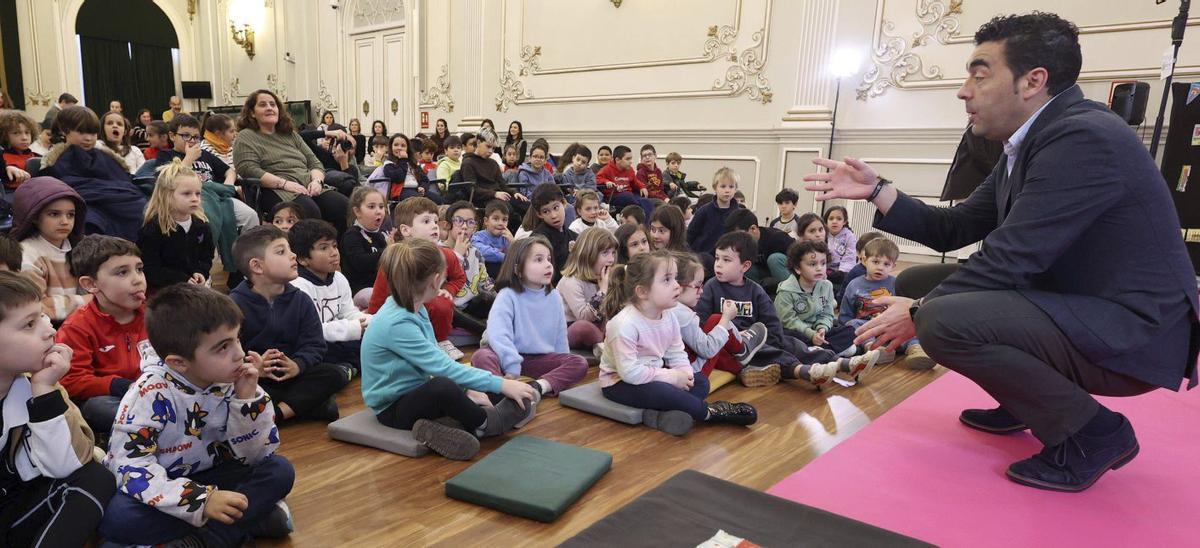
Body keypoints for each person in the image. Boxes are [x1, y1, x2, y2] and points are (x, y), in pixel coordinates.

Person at [801, 12, 1200, 493]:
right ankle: (1026, 400)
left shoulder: (1083, 138)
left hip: (1134, 331)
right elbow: (956, 227)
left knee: (942, 317)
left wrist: (921, 315)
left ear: (1033, 81)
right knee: (916, 285)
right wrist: (877, 191)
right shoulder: (1033, 141)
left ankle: (1093, 433)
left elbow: (1013, 259)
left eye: (979, 72)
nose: (964, 90)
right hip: (1084, 305)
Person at [99, 284, 295, 546]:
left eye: (237, 338)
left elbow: (258, 455)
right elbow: (131, 467)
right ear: (179, 362)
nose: (239, 353)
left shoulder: (236, 378)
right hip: (166, 482)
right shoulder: (148, 393)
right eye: (223, 347)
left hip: (218, 472)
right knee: (119, 519)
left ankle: (206, 539)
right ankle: (249, 521)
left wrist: (246, 401)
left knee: (280, 471)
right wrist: (201, 501)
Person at [361, 240, 538, 460]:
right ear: (436, 280)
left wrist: (470, 389)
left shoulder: (413, 306)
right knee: (444, 387)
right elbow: (441, 368)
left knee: (484, 389)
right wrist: (501, 384)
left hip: (416, 391)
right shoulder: (397, 323)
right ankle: (484, 424)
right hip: (392, 410)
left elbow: (436, 357)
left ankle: (439, 427)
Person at [0, 271, 115, 547]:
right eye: (29, 324)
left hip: (13, 514)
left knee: (96, 478)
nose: (49, 329)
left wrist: (43, 391)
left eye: (41, 315)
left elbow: (67, 466)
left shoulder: (40, 385)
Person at [598, 251, 758, 436]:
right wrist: (673, 378)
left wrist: (685, 375)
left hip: (652, 374)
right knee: (663, 391)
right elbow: (631, 373)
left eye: (675, 278)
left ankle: (658, 415)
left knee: (700, 383)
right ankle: (710, 412)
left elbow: (676, 353)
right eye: (667, 279)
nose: (676, 286)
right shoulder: (624, 324)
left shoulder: (669, 316)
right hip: (619, 383)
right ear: (642, 291)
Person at [229, 225, 351, 422]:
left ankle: (276, 415)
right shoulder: (233, 305)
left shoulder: (301, 299)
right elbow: (228, 353)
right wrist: (254, 369)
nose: (293, 255)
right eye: (281, 252)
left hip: (294, 375)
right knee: (228, 390)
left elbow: (315, 344)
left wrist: (298, 364)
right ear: (257, 266)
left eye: (290, 249)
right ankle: (304, 408)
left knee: (333, 374)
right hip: (256, 380)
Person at [698, 231, 851, 389]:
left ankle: (837, 362)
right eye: (717, 258)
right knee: (767, 352)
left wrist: (776, 341)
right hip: (730, 344)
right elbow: (702, 322)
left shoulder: (755, 290)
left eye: (726, 260)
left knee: (791, 343)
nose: (718, 264)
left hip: (756, 339)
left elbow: (771, 321)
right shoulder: (711, 287)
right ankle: (803, 371)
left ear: (745, 266)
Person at [56, 235, 154, 436]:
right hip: (112, 397)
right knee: (98, 407)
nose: (137, 279)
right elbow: (71, 380)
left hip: (154, 391)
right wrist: (115, 384)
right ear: (91, 284)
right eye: (122, 273)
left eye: (139, 269)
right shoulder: (77, 326)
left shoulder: (155, 316)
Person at [470, 235, 588, 397]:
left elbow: (560, 336)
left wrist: (562, 359)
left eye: (548, 259)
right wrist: (511, 366)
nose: (548, 265)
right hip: (505, 356)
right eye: (538, 260)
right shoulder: (507, 295)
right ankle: (501, 390)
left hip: (538, 359)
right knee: (481, 355)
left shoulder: (554, 296)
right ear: (518, 269)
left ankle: (538, 387)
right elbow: (498, 335)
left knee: (579, 362)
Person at [233, 89, 351, 233]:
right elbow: (248, 169)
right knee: (308, 211)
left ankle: (336, 252)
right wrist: (285, 184)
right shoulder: (246, 136)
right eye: (263, 105)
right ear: (252, 112)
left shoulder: (290, 135)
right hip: (275, 188)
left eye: (273, 104)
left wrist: (317, 182)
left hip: (307, 184)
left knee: (344, 207)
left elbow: (314, 163)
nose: (270, 108)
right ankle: (305, 255)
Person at [366, 198, 468, 360]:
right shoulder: (395, 257)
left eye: (435, 221)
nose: (434, 225)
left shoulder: (446, 254)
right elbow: (379, 293)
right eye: (426, 221)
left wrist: (449, 290)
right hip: (401, 312)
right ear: (406, 230)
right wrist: (372, 319)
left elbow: (458, 277)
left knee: (441, 302)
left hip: (430, 308)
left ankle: (441, 340)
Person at [158, 114, 260, 275]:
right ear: (172, 136)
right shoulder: (166, 156)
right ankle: (203, 270)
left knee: (250, 215)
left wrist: (227, 185)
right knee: (209, 222)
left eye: (196, 137)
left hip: (219, 196)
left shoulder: (205, 155)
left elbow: (230, 170)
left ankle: (244, 268)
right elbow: (170, 181)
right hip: (191, 200)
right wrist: (189, 159)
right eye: (185, 136)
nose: (192, 141)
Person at [41, 106, 147, 240]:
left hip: (119, 201)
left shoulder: (106, 156)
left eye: (92, 133)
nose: (88, 138)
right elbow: (62, 185)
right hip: (86, 204)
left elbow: (124, 183)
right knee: (92, 221)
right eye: (81, 132)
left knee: (143, 209)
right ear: (65, 131)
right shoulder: (56, 159)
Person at [289, 219, 370, 374]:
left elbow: (348, 312)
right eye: (324, 248)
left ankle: (349, 367)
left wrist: (370, 322)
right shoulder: (298, 286)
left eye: (334, 245)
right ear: (303, 259)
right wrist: (353, 328)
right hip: (314, 343)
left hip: (340, 336)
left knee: (374, 340)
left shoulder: (339, 278)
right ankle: (346, 368)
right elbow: (313, 331)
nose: (334, 252)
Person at [10, 178, 91, 320]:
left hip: (80, 320)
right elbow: (36, 306)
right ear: (34, 217)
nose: (65, 221)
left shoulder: (79, 246)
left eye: (70, 215)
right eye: (54, 214)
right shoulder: (27, 254)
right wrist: (87, 302)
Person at [137, 159, 215, 292]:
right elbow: (150, 268)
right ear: (167, 195)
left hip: (194, 288)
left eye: (197, 193)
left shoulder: (202, 226)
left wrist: (201, 272)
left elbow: (206, 257)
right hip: (164, 292)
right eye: (186, 194)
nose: (195, 198)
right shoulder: (153, 229)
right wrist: (181, 279)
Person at [776, 240, 860, 358]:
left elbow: (827, 314)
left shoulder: (827, 286)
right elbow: (788, 321)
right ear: (797, 268)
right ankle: (823, 353)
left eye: (823, 263)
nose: (819, 268)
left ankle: (816, 352)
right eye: (812, 264)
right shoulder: (786, 290)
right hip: (796, 332)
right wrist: (810, 334)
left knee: (851, 331)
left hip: (817, 333)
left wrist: (822, 328)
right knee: (784, 338)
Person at [559, 226, 618, 352]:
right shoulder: (570, 281)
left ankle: (608, 344)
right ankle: (607, 347)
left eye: (613, 253)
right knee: (583, 327)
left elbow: (608, 313)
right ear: (588, 255)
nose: (611, 259)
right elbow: (583, 317)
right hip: (570, 329)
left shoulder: (604, 279)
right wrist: (602, 292)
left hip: (598, 328)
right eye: (605, 253)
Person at [462, 128, 529, 231]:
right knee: (508, 210)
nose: (490, 151)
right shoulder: (468, 163)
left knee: (528, 205)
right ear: (479, 142)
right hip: (483, 200)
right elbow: (472, 189)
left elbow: (503, 185)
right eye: (488, 146)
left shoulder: (493, 163)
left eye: (493, 148)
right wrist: (494, 194)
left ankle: (525, 236)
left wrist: (514, 192)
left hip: (499, 197)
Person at [340, 186, 391, 296]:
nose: (379, 211)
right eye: (371, 207)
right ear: (357, 211)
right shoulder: (352, 235)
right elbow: (360, 263)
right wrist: (388, 251)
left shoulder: (380, 235)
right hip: (360, 289)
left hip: (380, 286)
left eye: (381, 207)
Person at [521, 184, 576, 284]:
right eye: (546, 211)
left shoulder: (574, 235)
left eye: (556, 207)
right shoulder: (538, 240)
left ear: (564, 203)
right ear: (539, 214)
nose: (554, 215)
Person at [724, 208, 795, 284]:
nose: (736, 240)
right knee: (743, 267)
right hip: (764, 275)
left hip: (787, 273)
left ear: (753, 229)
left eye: (740, 235)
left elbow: (800, 258)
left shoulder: (778, 238)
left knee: (774, 259)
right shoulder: (740, 245)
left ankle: (793, 293)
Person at [687, 167, 743, 258]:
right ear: (715, 188)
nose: (727, 190)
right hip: (702, 258)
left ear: (736, 189)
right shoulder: (704, 211)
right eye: (723, 186)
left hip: (727, 259)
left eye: (731, 187)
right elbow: (690, 235)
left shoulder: (739, 214)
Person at [596, 145, 653, 220]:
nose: (630, 161)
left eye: (631, 158)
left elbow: (635, 181)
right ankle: (639, 211)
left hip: (630, 196)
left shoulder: (630, 169)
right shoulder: (607, 169)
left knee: (647, 202)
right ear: (617, 160)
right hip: (614, 196)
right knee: (629, 197)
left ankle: (647, 227)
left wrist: (642, 187)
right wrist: (606, 182)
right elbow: (597, 178)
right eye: (627, 159)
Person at [472, 200, 513, 278]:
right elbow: (483, 252)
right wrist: (507, 257)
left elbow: (518, 256)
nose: (501, 223)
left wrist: (513, 242)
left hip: (502, 276)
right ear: (486, 221)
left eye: (504, 220)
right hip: (483, 276)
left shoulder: (507, 238)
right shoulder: (478, 237)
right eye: (496, 219)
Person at [1, 109, 41, 190]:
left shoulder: (37, 156)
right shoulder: (2, 160)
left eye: (27, 132)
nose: (24, 138)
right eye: (16, 133)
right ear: (4, 136)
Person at [98, 110, 145, 175]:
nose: (115, 126)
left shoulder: (135, 151)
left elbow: (143, 175)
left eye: (119, 124)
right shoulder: (97, 150)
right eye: (110, 123)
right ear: (103, 129)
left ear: (125, 131)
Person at [824, 205, 857, 275]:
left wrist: (841, 272)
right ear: (826, 221)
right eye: (831, 219)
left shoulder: (849, 236)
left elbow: (850, 257)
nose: (834, 221)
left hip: (842, 271)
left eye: (839, 219)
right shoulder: (823, 235)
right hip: (824, 269)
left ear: (844, 221)